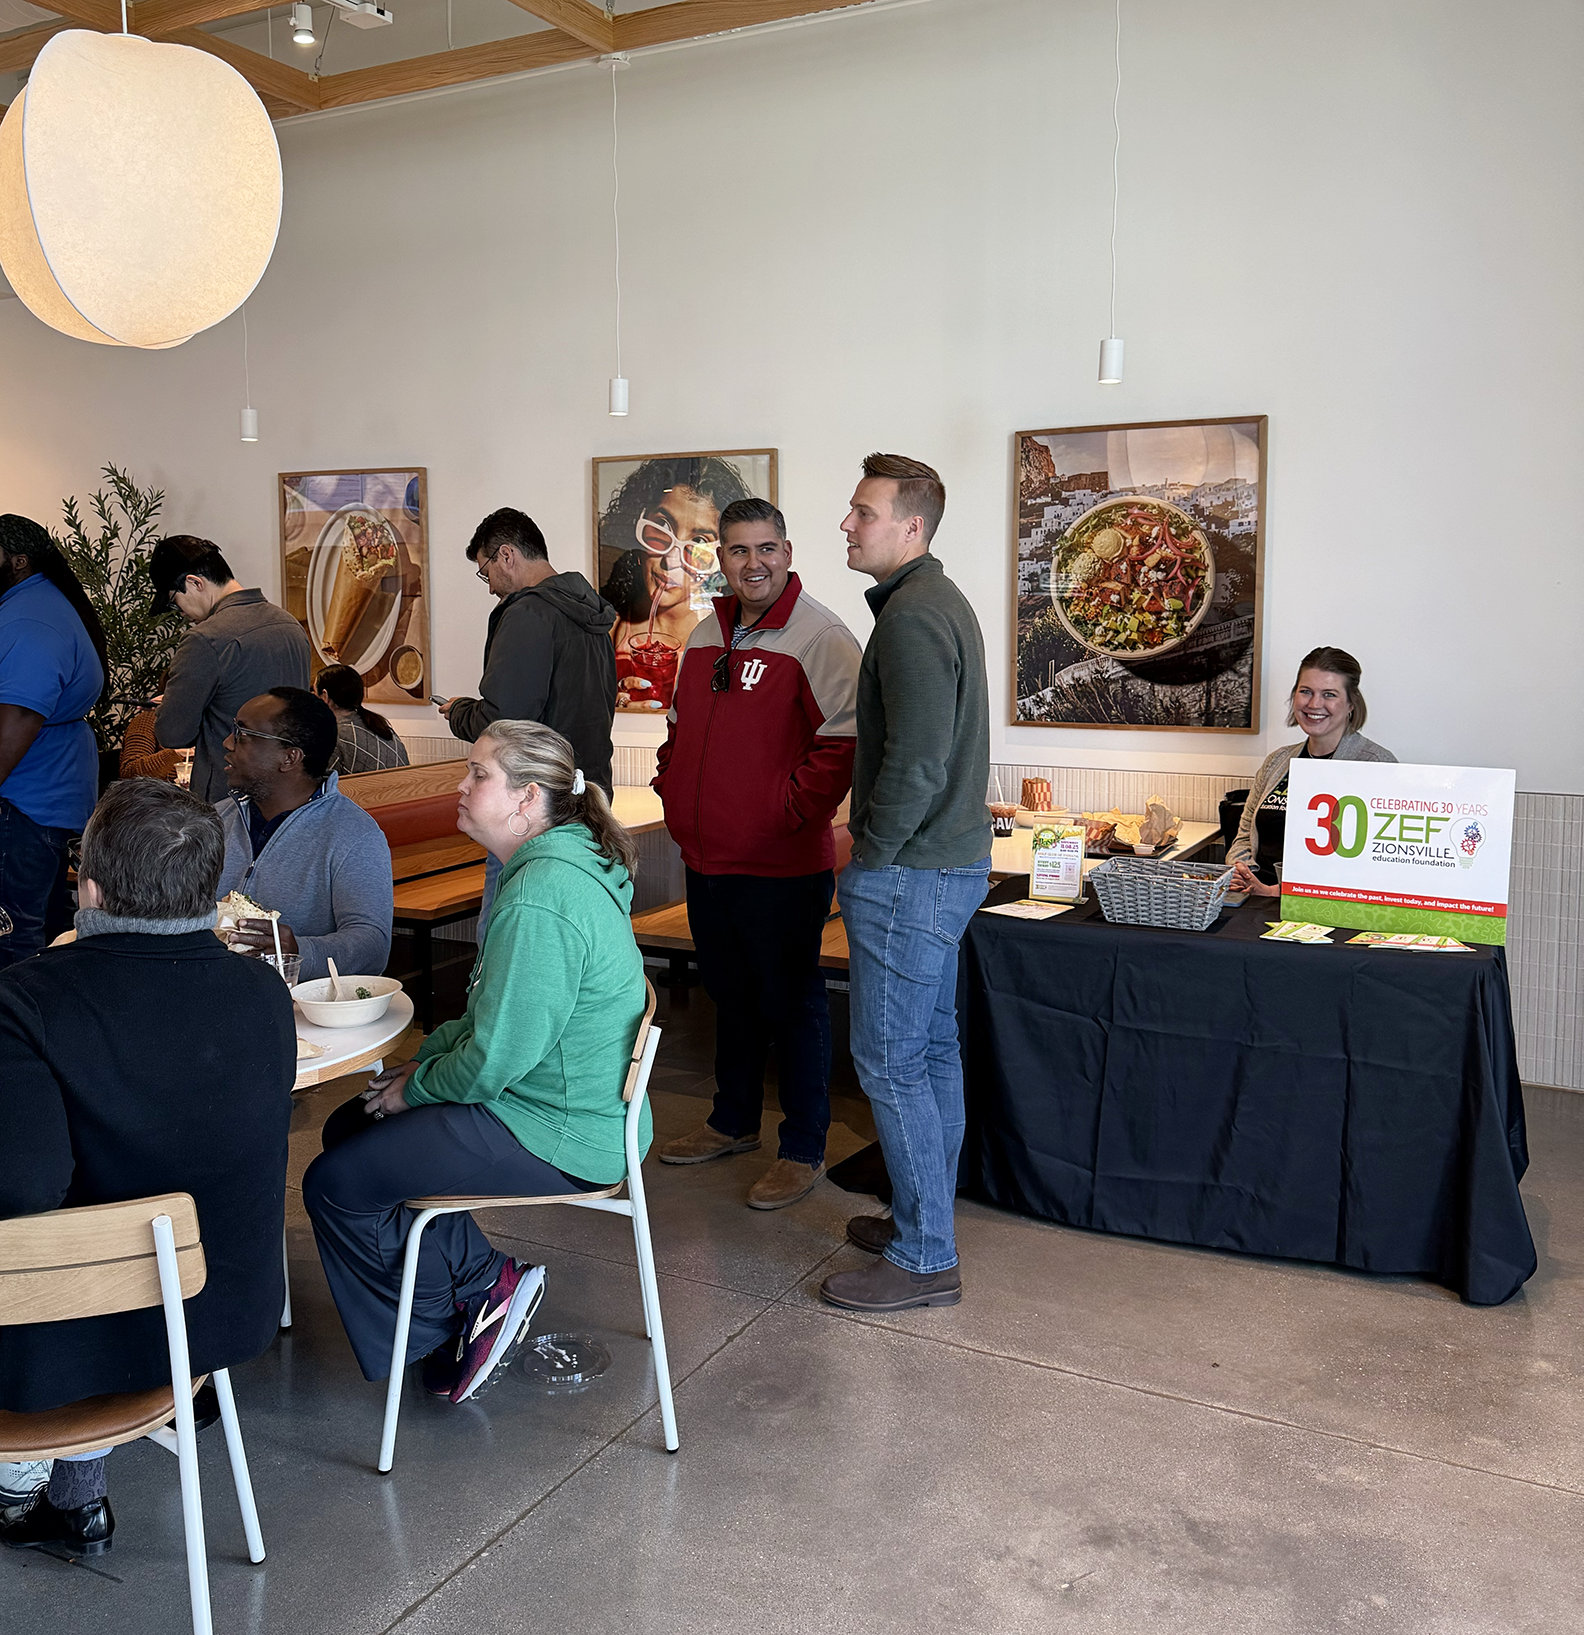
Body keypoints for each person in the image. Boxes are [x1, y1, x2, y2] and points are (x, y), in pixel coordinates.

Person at [302, 721, 647, 1403]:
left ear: (526, 798)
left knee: (335, 1183)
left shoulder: (543, 894)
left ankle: (461, 1314)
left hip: (561, 1130)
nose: (461, 785)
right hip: (548, 1103)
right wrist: (423, 1066)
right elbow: (491, 1018)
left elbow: (493, 1058)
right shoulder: (556, 865)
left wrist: (416, 1089)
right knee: (349, 1128)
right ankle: (481, 1281)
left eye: (479, 774)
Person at [0, 778, 294, 1555]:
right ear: (210, 889)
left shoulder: (27, 1002)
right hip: (218, 1315)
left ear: (90, 888)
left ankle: (19, 1480)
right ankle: (73, 1496)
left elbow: (21, 1189)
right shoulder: (264, 992)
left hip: (71, 1339)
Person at [652, 498, 862, 1209]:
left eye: (766, 548)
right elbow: (678, 729)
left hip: (782, 864)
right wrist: (672, 788)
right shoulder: (705, 634)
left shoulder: (821, 637)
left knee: (792, 1003)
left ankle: (802, 1147)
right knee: (730, 996)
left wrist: (786, 815)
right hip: (707, 859)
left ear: (788, 552)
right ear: (722, 559)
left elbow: (842, 744)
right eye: (739, 550)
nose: (753, 563)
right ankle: (732, 1121)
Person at [820, 454, 991, 1315]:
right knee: (928, 1054)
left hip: (911, 873)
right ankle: (923, 1222)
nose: (847, 524)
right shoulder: (932, 601)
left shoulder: (916, 614)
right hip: (942, 867)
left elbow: (917, 762)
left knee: (891, 1062)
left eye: (863, 512)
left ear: (911, 527)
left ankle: (926, 1254)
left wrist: (870, 852)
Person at [440, 508, 618, 930]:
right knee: (563, 928)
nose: (490, 587)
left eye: (486, 571)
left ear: (506, 555)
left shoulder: (529, 613)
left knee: (505, 933)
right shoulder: (591, 615)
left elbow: (505, 722)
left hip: (531, 802)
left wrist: (460, 712)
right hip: (587, 792)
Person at [214, 688, 393, 983]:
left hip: (299, 1003)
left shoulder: (353, 834)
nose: (228, 742)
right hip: (211, 989)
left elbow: (372, 946)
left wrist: (298, 950)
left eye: (243, 734)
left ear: (290, 758)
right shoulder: (216, 820)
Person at [0, 514, 106, 969]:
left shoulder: (31, 619)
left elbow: (20, 716)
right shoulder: (38, 602)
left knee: (10, 931)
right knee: (37, 924)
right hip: (44, 790)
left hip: (22, 800)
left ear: (18, 561)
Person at [151, 534, 313, 804]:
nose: (179, 612)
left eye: (173, 601)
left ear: (195, 583)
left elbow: (173, 734)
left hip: (230, 798)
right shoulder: (290, 625)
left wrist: (167, 706)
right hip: (290, 795)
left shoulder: (205, 639)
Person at [1229, 646, 1397, 897]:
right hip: (1253, 898)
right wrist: (1244, 873)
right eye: (1306, 691)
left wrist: (1276, 891)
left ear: (1351, 704)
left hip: (1321, 908)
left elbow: (1373, 862)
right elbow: (1244, 834)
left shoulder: (1377, 765)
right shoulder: (1277, 761)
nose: (1314, 704)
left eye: (1329, 694)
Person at [598, 456, 753, 712]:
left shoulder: (734, 636)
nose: (670, 560)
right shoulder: (609, 629)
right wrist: (612, 707)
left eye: (699, 541)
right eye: (661, 526)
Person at [315, 662, 411, 775]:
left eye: (314, 693)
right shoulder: (380, 726)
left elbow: (321, 781)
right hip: (405, 785)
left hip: (372, 787)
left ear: (325, 696)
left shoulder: (334, 736)